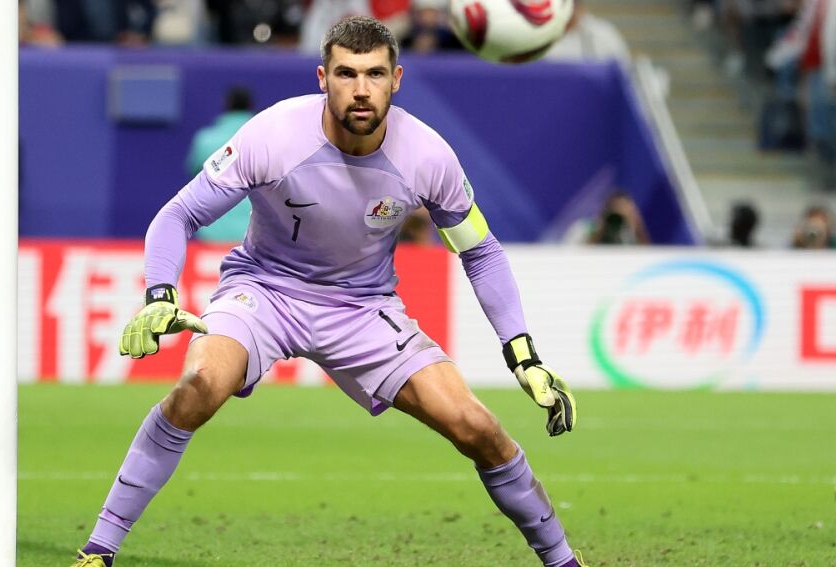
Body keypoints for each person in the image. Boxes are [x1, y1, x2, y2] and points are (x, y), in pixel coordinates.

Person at [72, 16, 583, 567]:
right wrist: (159, 294)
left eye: (374, 74)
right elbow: (178, 214)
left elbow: (480, 251)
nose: (360, 89)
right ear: (323, 77)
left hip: (363, 309)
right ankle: (99, 550)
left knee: (477, 427)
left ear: (397, 79)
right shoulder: (273, 135)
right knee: (199, 384)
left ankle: (561, 560)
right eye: (346, 73)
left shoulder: (429, 156)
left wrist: (522, 354)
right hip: (265, 290)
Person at [186, 87, 255, 242]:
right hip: (253, 234)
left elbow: (194, 176)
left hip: (211, 232)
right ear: (250, 106)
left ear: (226, 105)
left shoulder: (205, 140)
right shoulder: (265, 140)